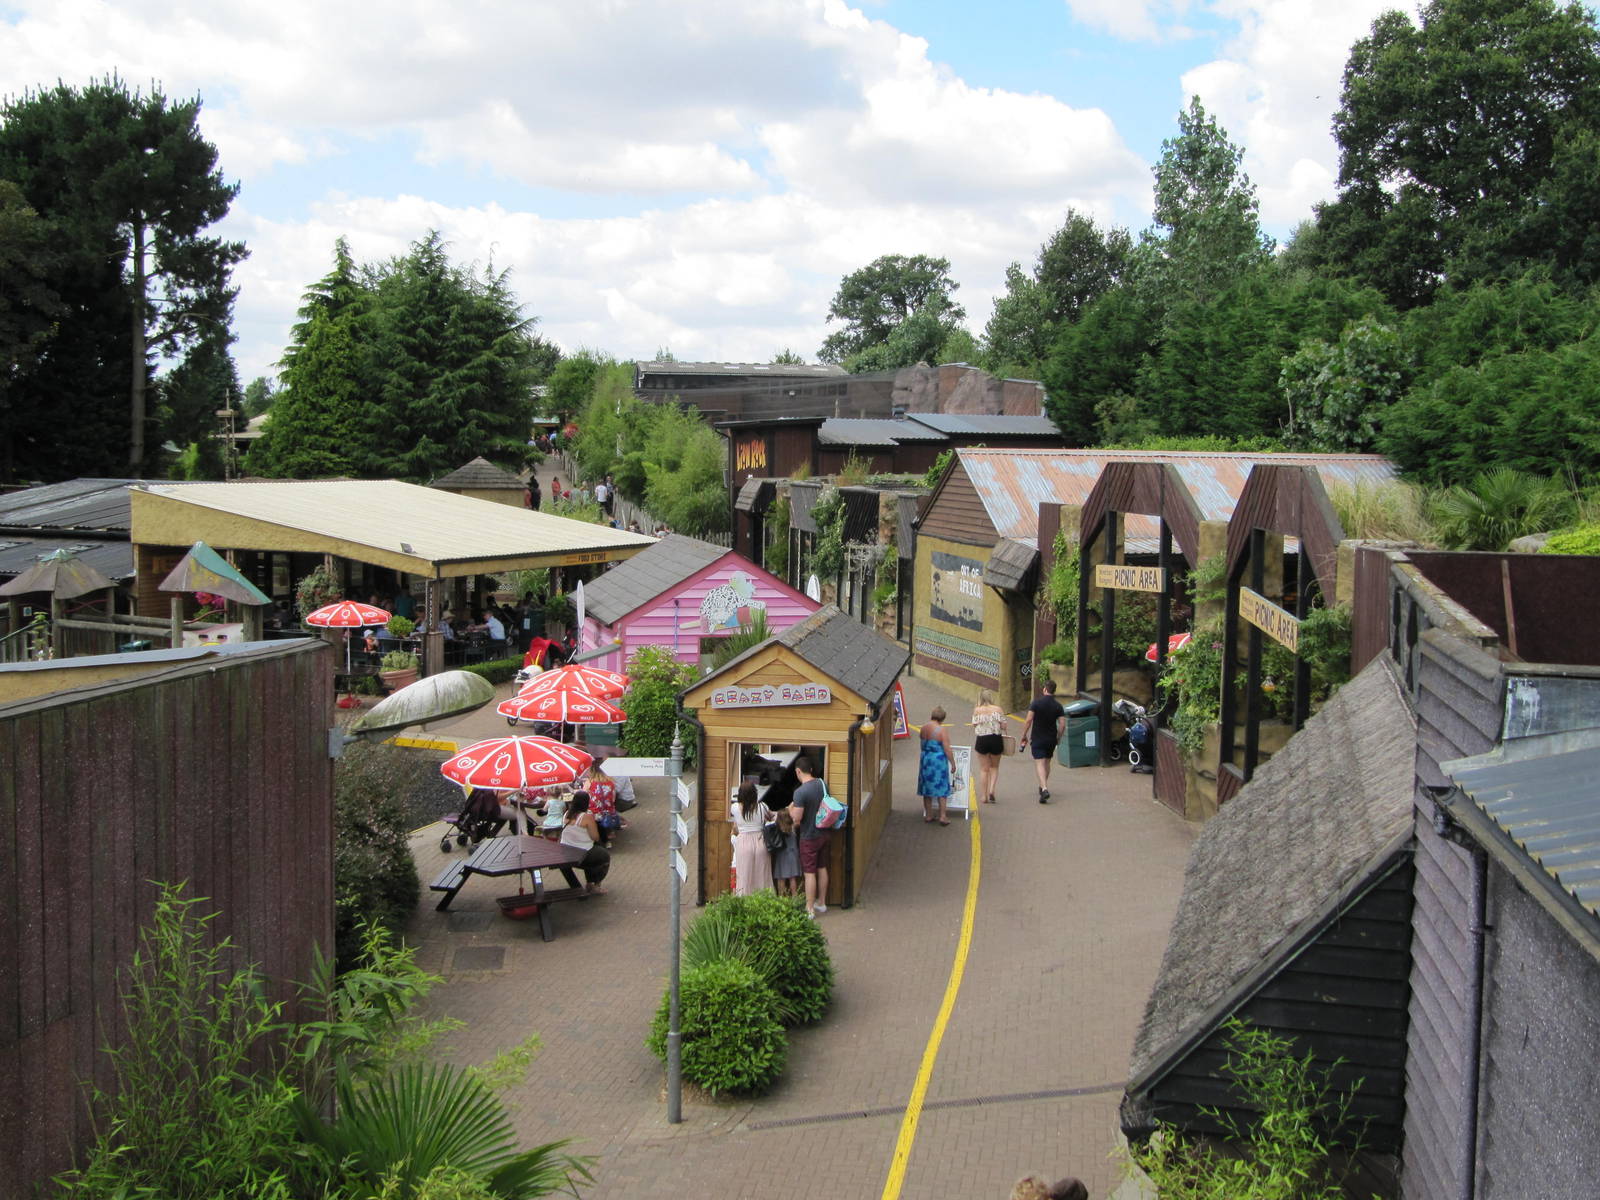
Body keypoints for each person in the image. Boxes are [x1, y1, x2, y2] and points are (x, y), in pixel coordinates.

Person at [787, 755, 832, 918]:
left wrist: (789, 808)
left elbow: (796, 818)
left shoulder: (800, 792)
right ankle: (822, 903)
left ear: (798, 771)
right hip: (825, 832)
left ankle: (809, 908)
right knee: (822, 867)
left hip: (809, 836)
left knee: (809, 872)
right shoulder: (822, 784)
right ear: (811, 769)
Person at [1020, 678, 1066, 803]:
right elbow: (1062, 725)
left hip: (1038, 738)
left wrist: (1024, 735)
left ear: (1045, 689)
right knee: (1047, 763)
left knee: (1039, 763)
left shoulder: (1036, 703)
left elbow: (1028, 720)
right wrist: (1058, 738)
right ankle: (1042, 787)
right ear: (1054, 691)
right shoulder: (1058, 706)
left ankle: (1044, 788)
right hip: (1051, 739)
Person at [728, 780, 774, 896]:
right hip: (760, 842)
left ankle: (744, 902)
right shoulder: (762, 807)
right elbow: (771, 817)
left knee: (744, 877)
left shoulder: (735, 808)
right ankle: (764, 901)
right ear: (755, 793)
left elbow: (735, 826)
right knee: (762, 876)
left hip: (743, 844)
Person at [559, 792, 610, 894]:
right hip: (582, 852)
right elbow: (595, 837)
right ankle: (595, 884)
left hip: (566, 850)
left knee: (593, 853)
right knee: (603, 856)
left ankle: (577, 886)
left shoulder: (566, 814)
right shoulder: (587, 817)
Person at [917, 706, 956, 824]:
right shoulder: (941, 730)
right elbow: (947, 748)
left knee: (926, 788)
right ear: (942, 718)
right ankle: (942, 816)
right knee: (941, 788)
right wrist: (953, 763)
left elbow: (922, 744)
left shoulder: (923, 728)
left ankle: (928, 815)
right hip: (938, 761)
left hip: (925, 759)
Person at [971, 689, 1007, 805]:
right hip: (996, 739)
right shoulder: (998, 709)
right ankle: (992, 790)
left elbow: (974, 724)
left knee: (984, 769)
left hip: (982, 739)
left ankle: (984, 796)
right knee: (994, 767)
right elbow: (1004, 726)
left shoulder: (977, 710)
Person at [583, 762, 622, 847]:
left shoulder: (589, 782)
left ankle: (593, 839)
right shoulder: (611, 782)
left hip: (593, 811)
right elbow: (613, 798)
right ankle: (607, 840)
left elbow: (583, 795)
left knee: (586, 815)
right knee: (601, 818)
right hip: (608, 811)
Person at [770, 807, 801, 896]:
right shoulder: (793, 827)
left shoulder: (778, 828)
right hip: (793, 854)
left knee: (781, 878)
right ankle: (795, 897)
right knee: (792, 878)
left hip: (782, 856)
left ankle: (781, 898)